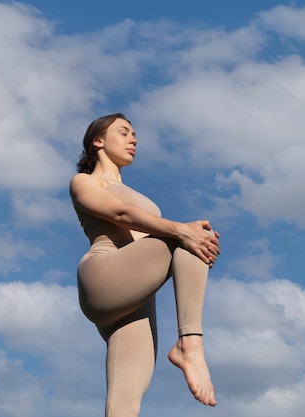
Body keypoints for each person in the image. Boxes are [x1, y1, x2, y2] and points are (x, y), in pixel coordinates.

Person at [70, 113, 220, 417]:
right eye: (124, 132)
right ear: (97, 141)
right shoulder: (85, 181)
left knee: (125, 404)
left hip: (136, 299)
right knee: (189, 237)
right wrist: (181, 230)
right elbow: (122, 215)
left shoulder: (136, 193)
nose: (133, 139)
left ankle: (187, 349)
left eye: (135, 135)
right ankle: (190, 345)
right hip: (105, 273)